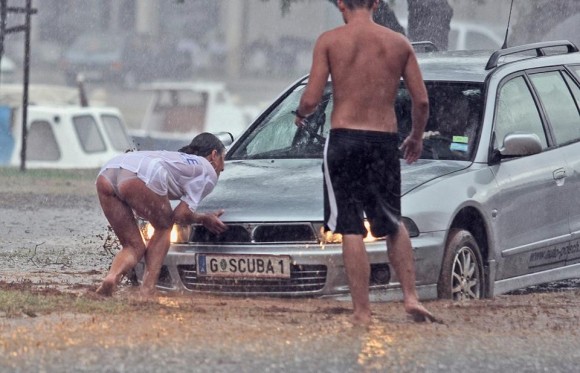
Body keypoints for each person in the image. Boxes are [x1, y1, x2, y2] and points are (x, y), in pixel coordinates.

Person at [294, 0, 436, 326]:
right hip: (384, 141)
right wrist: (415, 137)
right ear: (375, 3)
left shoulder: (330, 41)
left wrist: (301, 115)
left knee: (351, 225)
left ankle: (363, 312)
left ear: (341, 3)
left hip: (344, 139)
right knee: (392, 221)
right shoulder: (398, 43)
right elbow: (422, 100)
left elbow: (312, 98)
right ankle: (411, 297)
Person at [95, 132, 227, 297]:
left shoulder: (178, 159)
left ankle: (111, 277)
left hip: (108, 171)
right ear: (214, 155)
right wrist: (204, 218)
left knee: (133, 246)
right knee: (165, 226)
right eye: (223, 159)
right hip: (140, 174)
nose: (223, 167)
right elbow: (180, 215)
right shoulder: (208, 170)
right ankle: (148, 289)